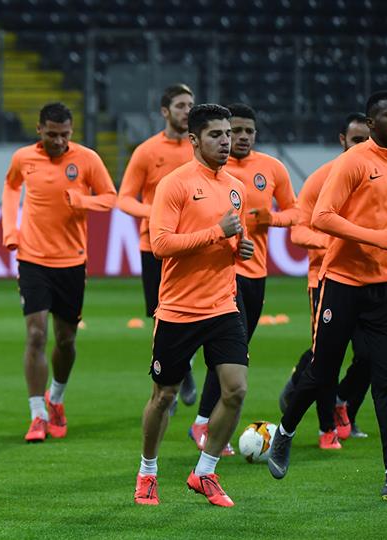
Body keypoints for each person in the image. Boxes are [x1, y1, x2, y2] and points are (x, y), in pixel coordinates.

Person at [268, 90, 387, 502]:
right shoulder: (352, 163)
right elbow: (322, 217)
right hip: (342, 283)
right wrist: (377, 237)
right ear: (372, 123)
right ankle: (284, 432)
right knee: (321, 372)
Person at [133, 104, 253, 508]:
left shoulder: (236, 187)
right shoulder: (175, 184)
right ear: (194, 140)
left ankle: (205, 471)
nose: (227, 141)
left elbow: (232, 241)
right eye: (216, 135)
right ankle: (148, 472)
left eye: (229, 134)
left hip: (222, 306)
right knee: (164, 397)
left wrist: (240, 248)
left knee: (235, 390)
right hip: (179, 310)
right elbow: (161, 244)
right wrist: (216, 232)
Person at [1, 102, 116, 442]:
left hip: (72, 261)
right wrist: (10, 230)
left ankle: (57, 397)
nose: (59, 141)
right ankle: (37, 414)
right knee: (36, 335)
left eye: (64, 135)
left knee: (66, 340)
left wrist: (83, 202)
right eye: (52, 134)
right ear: (39, 130)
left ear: (71, 131)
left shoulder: (87, 159)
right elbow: (10, 187)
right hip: (33, 259)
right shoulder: (23, 158)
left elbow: (110, 197)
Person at [188, 103, 298, 455]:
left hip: (256, 273)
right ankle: (203, 422)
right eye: (234, 131)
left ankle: (205, 421)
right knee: (231, 354)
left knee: (235, 351)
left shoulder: (272, 168)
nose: (241, 137)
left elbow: (297, 212)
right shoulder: (210, 171)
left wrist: (270, 218)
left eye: (249, 131)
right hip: (224, 274)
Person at [281, 113, 372, 444]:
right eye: (357, 139)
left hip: (370, 278)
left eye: (367, 140)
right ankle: (327, 429)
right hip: (326, 277)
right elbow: (298, 232)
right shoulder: (321, 180)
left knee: (371, 355)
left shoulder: (379, 178)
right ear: (342, 140)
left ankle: (341, 401)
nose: (362, 146)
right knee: (328, 357)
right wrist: (335, 242)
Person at [118, 84, 197, 406]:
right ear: (165, 111)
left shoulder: (199, 148)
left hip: (195, 246)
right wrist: (154, 212)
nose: (187, 111)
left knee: (197, 312)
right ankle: (170, 377)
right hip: (155, 245)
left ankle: (184, 366)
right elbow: (124, 198)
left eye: (191, 104)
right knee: (160, 315)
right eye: (180, 105)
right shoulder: (147, 151)